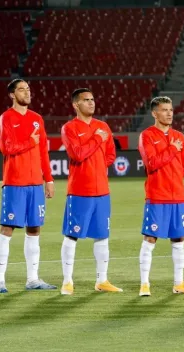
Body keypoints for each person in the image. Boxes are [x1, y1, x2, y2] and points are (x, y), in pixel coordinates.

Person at [0, 79, 56, 293]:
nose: (27, 92)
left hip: (35, 184)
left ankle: (33, 279)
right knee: (7, 228)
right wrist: (30, 141)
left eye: (28, 89)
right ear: (12, 94)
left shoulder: (37, 119)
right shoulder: (6, 118)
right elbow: (7, 148)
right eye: (22, 89)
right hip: (15, 183)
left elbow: (42, 152)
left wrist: (48, 179)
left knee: (34, 229)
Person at [60, 88, 122, 295]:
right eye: (86, 100)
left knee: (102, 236)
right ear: (76, 105)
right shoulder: (69, 128)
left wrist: (97, 167)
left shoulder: (103, 126)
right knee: (72, 236)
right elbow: (77, 154)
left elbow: (111, 154)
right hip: (79, 191)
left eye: (93, 99)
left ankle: (102, 280)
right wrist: (96, 139)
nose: (91, 103)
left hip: (102, 191)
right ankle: (67, 281)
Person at [138, 96, 184, 296]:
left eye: (171, 109)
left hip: (178, 197)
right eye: (164, 110)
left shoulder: (179, 136)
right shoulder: (147, 136)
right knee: (150, 238)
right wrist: (172, 149)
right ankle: (144, 283)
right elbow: (152, 163)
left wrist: (173, 180)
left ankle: (179, 283)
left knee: (179, 239)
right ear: (154, 113)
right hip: (157, 196)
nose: (169, 113)